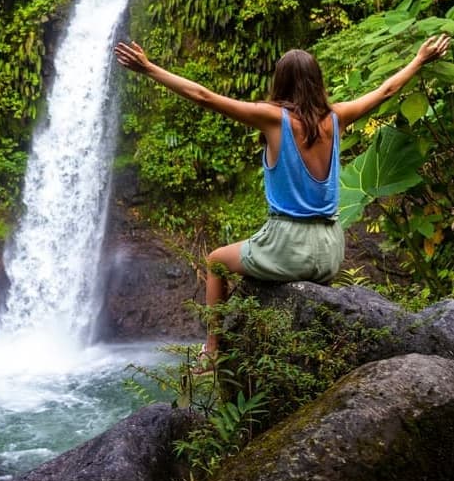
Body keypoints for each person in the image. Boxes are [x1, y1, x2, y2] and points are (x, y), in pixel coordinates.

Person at [114, 34, 451, 370]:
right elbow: (386, 90)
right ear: (317, 82)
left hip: (289, 245)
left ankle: (213, 350)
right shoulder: (337, 117)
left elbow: (204, 96)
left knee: (216, 261)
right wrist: (419, 59)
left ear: (280, 82)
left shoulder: (273, 119)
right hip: (331, 249)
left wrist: (148, 68)